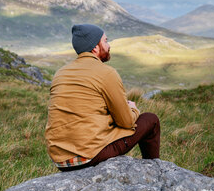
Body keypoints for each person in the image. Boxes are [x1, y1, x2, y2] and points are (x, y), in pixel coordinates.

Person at [45, 24, 160, 171]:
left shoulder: (60, 73)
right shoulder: (106, 73)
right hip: (89, 156)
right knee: (151, 120)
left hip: (61, 160)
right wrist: (132, 108)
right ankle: (155, 173)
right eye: (105, 41)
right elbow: (126, 122)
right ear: (95, 47)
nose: (109, 45)